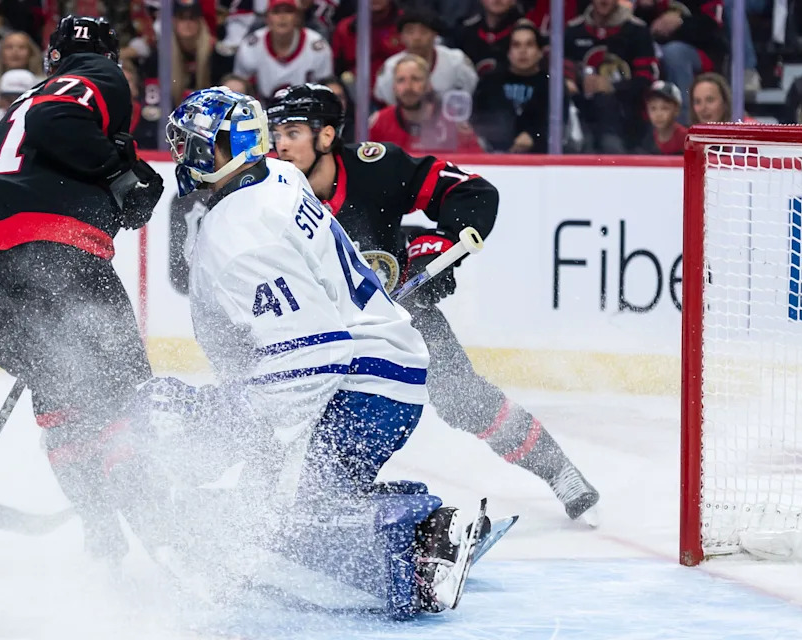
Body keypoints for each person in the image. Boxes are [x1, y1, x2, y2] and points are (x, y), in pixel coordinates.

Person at [163, 85, 484, 617]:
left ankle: (419, 537)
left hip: (354, 388)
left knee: (275, 522)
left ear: (233, 146)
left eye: (198, 145)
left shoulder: (240, 232)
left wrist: (235, 421)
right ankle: (408, 516)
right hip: (378, 372)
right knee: (274, 501)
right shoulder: (278, 176)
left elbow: (312, 354)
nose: (187, 158)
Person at [269, 83, 600, 522]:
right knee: (304, 417)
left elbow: (471, 191)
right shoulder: (270, 191)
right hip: (322, 332)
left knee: (464, 398)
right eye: (277, 132)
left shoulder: (376, 169)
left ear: (326, 136)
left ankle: (559, 470)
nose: (281, 143)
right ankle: (310, 515)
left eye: (293, 132)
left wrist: (435, 249)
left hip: (400, 318)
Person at [0, 15, 164, 562]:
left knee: (64, 401)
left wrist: (120, 183)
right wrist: (121, 173)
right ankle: (164, 533)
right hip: (52, 255)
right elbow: (58, 122)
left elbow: (30, 158)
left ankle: (100, 526)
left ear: (50, 58)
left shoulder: (11, 115)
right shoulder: (99, 78)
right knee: (124, 394)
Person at [565, 0, 659, 153]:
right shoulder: (573, 30)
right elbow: (562, 72)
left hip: (625, 121)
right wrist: (571, 82)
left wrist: (613, 87)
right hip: (582, 117)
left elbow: (647, 79)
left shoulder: (637, 30)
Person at [472, 19, 562, 153]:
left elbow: (558, 125)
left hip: (541, 160)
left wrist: (534, 136)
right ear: (508, 52)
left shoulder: (552, 85)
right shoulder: (489, 82)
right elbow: (478, 121)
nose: (523, 51)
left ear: (540, 52)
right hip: (493, 156)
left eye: (529, 45)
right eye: (516, 45)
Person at [369, 55, 484, 154]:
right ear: (394, 87)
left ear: (429, 85)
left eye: (416, 79)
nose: (408, 87)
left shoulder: (452, 122)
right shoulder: (379, 123)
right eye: (401, 80)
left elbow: (476, 167)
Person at [373, 8, 479, 107]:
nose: (417, 37)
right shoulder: (391, 67)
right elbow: (386, 100)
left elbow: (469, 89)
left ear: (435, 35)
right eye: (410, 32)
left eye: (423, 31)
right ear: (401, 37)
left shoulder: (456, 61)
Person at [233, 0, 333, 104]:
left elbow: (326, 90)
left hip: (307, 113)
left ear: (298, 17)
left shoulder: (317, 47)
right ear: (267, 18)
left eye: (288, 11)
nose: (282, 17)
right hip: (261, 113)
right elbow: (239, 88)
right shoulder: (250, 46)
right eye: (276, 12)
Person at [639, 80, 687, 155]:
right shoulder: (646, 140)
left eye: (665, 108)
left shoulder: (687, 139)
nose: (658, 114)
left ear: (676, 110)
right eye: (653, 108)